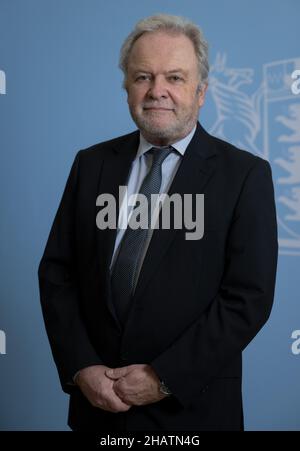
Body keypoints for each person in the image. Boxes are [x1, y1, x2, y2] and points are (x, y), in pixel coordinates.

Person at [38, 14, 278, 431]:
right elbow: (58, 273)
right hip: (98, 411)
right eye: (143, 77)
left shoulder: (244, 176)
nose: (157, 91)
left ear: (201, 91)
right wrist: (82, 367)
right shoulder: (91, 164)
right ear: (126, 87)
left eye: (175, 78)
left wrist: (163, 378)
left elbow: (247, 298)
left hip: (193, 412)